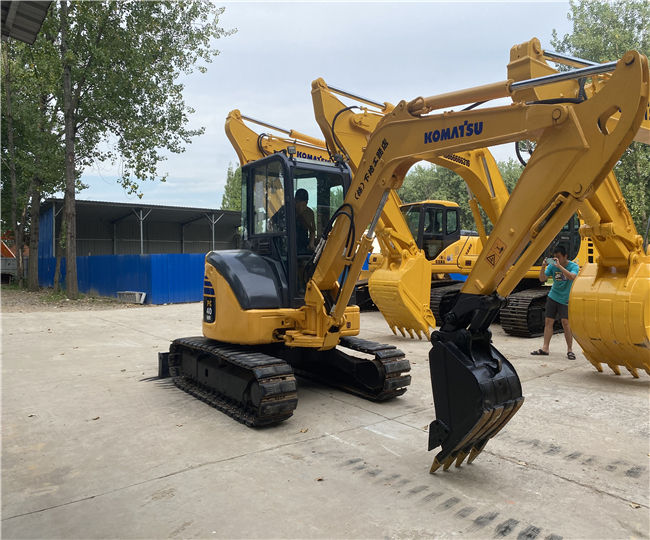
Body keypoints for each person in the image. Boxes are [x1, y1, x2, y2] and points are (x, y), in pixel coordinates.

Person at [531, 244, 579, 359]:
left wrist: (559, 267)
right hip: (553, 296)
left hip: (566, 298)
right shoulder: (552, 266)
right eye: (555, 257)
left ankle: (570, 350)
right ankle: (545, 348)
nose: (556, 259)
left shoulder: (573, 266)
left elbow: (572, 277)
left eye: (559, 257)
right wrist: (543, 267)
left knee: (565, 323)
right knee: (548, 322)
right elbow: (542, 279)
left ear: (565, 256)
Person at [294, 188, 315, 253]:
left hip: (303, 245)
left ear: (307, 202)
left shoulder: (309, 213)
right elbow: (271, 223)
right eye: (298, 204)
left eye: (303, 205)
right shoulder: (285, 211)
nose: (301, 208)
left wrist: (311, 243)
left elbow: (312, 230)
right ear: (294, 201)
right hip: (287, 246)